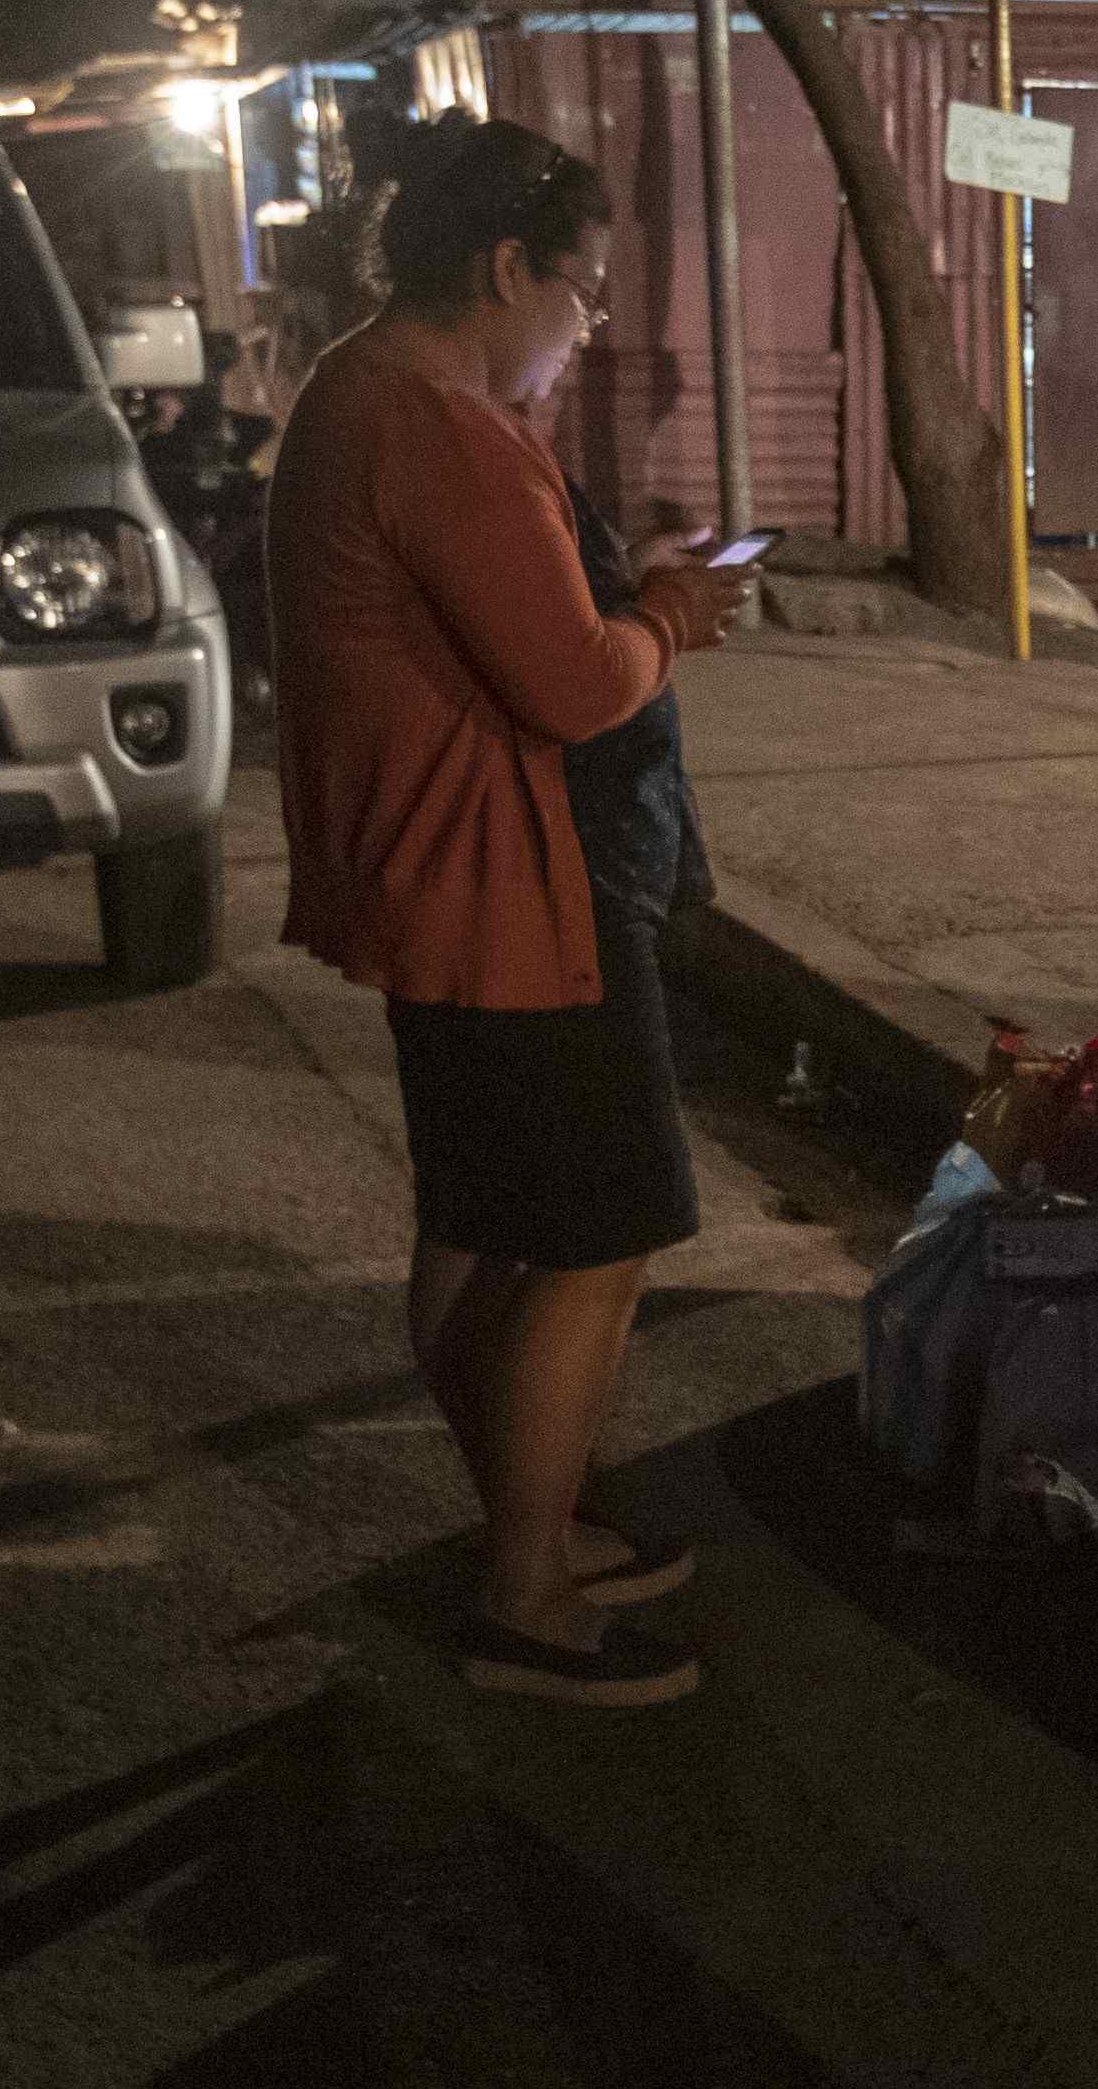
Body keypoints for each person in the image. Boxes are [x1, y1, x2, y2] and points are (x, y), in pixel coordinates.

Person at [272, 113, 753, 1703]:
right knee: (603, 1235)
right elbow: (572, 683)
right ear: (502, 268)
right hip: (508, 879)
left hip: (432, 869)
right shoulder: (442, 427)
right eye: (584, 288)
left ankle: (525, 1527)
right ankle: (529, 1593)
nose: (590, 322)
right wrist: (677, 609)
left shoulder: (357, 389)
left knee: (481, 1221)